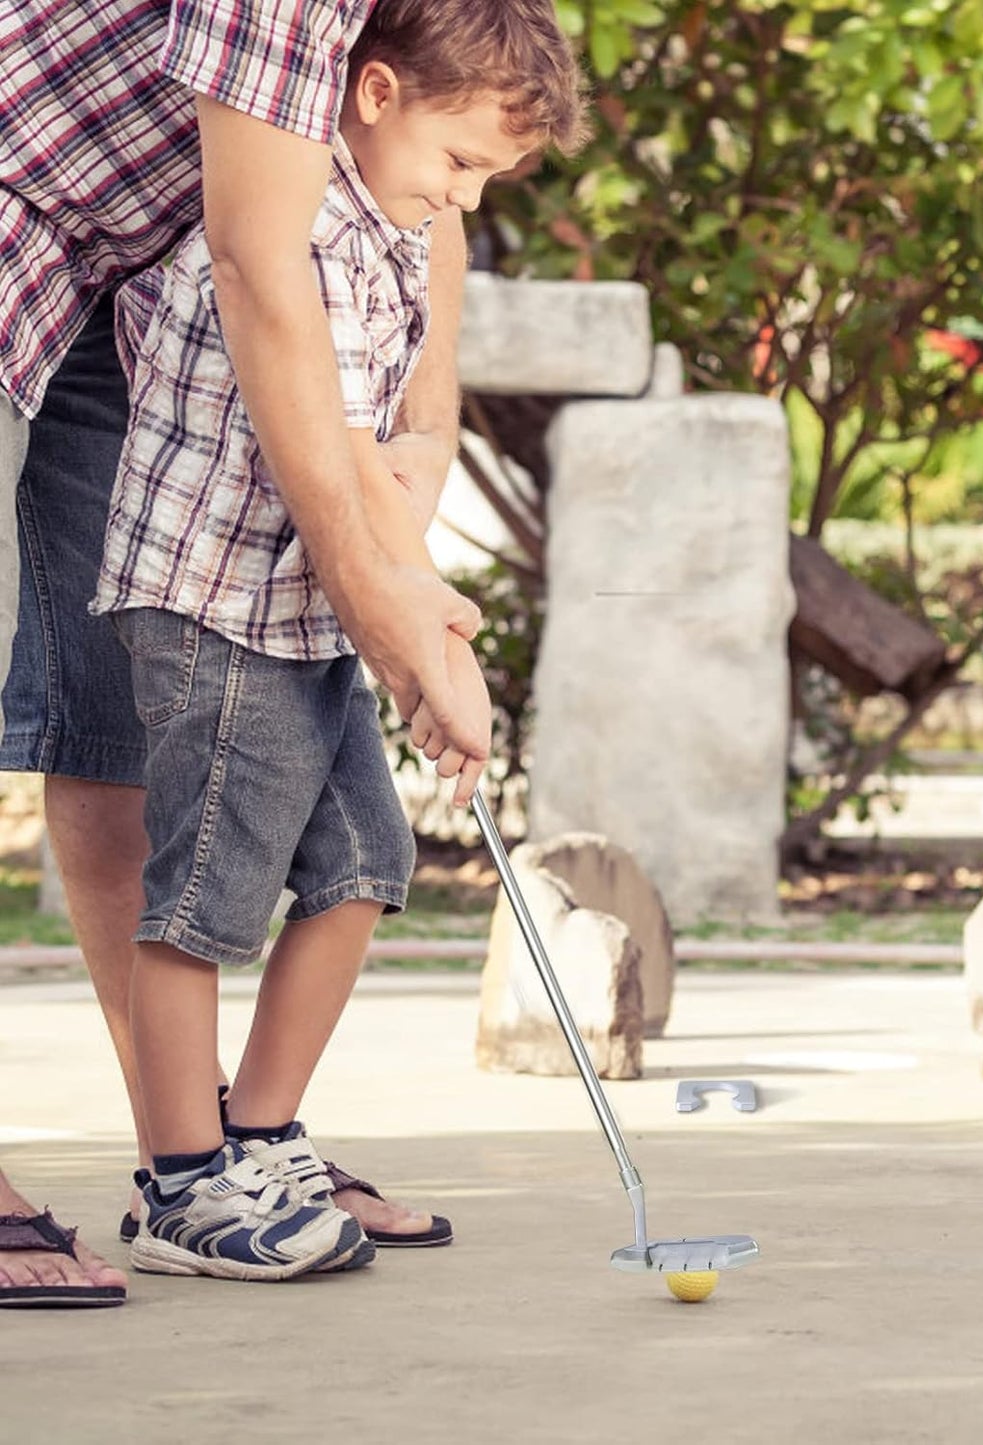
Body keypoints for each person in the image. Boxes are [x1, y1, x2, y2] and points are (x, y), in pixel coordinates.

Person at [0, 0, 586, 1300]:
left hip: (274, 575)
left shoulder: (386, 214)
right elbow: (261, 277)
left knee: (358, 859)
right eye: (459, 169)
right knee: (200, 880)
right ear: (372, 101)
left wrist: (416, 560)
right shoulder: (304, 235)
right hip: (200, 563)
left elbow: (388, 416)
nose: (464, 200)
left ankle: (235, 1145)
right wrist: (394, 613)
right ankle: (189, 1173)